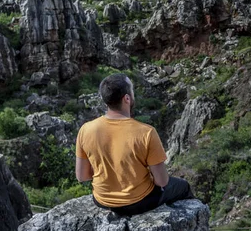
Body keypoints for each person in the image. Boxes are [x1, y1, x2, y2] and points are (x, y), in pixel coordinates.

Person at [75, 73, 194, 215]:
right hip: (139, 202)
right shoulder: (146, 132)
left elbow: (82, 176)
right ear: (127, 98)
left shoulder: (85, 129)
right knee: (183, 187)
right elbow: (162, 181)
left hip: (102, 201)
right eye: (132, 90)